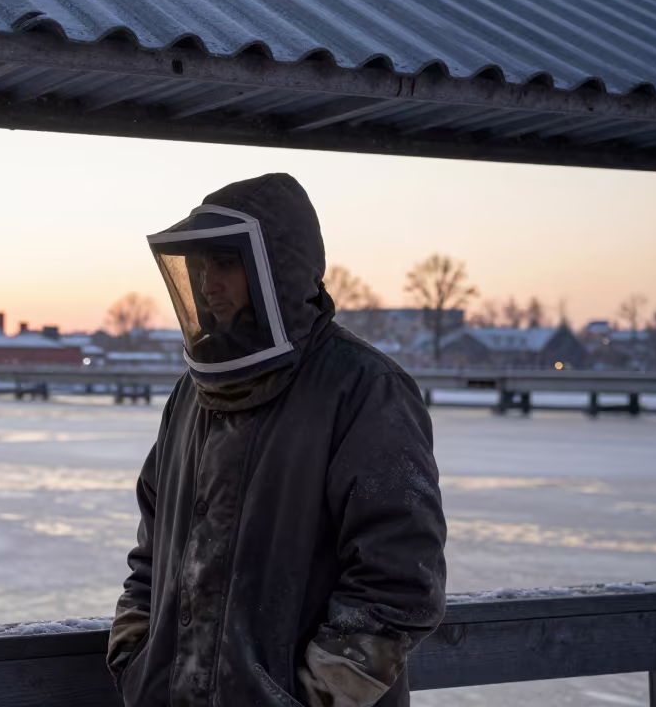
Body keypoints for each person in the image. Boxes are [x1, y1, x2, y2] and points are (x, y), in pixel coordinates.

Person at [107, 174, 447, 707]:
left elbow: (398, 585)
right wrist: (136, 661)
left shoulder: (362, 389)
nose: (208, 285)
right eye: (201, 267)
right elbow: (152, 554)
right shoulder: (191, 396)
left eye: (225, 263)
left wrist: (314, 699)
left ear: (277, 268)